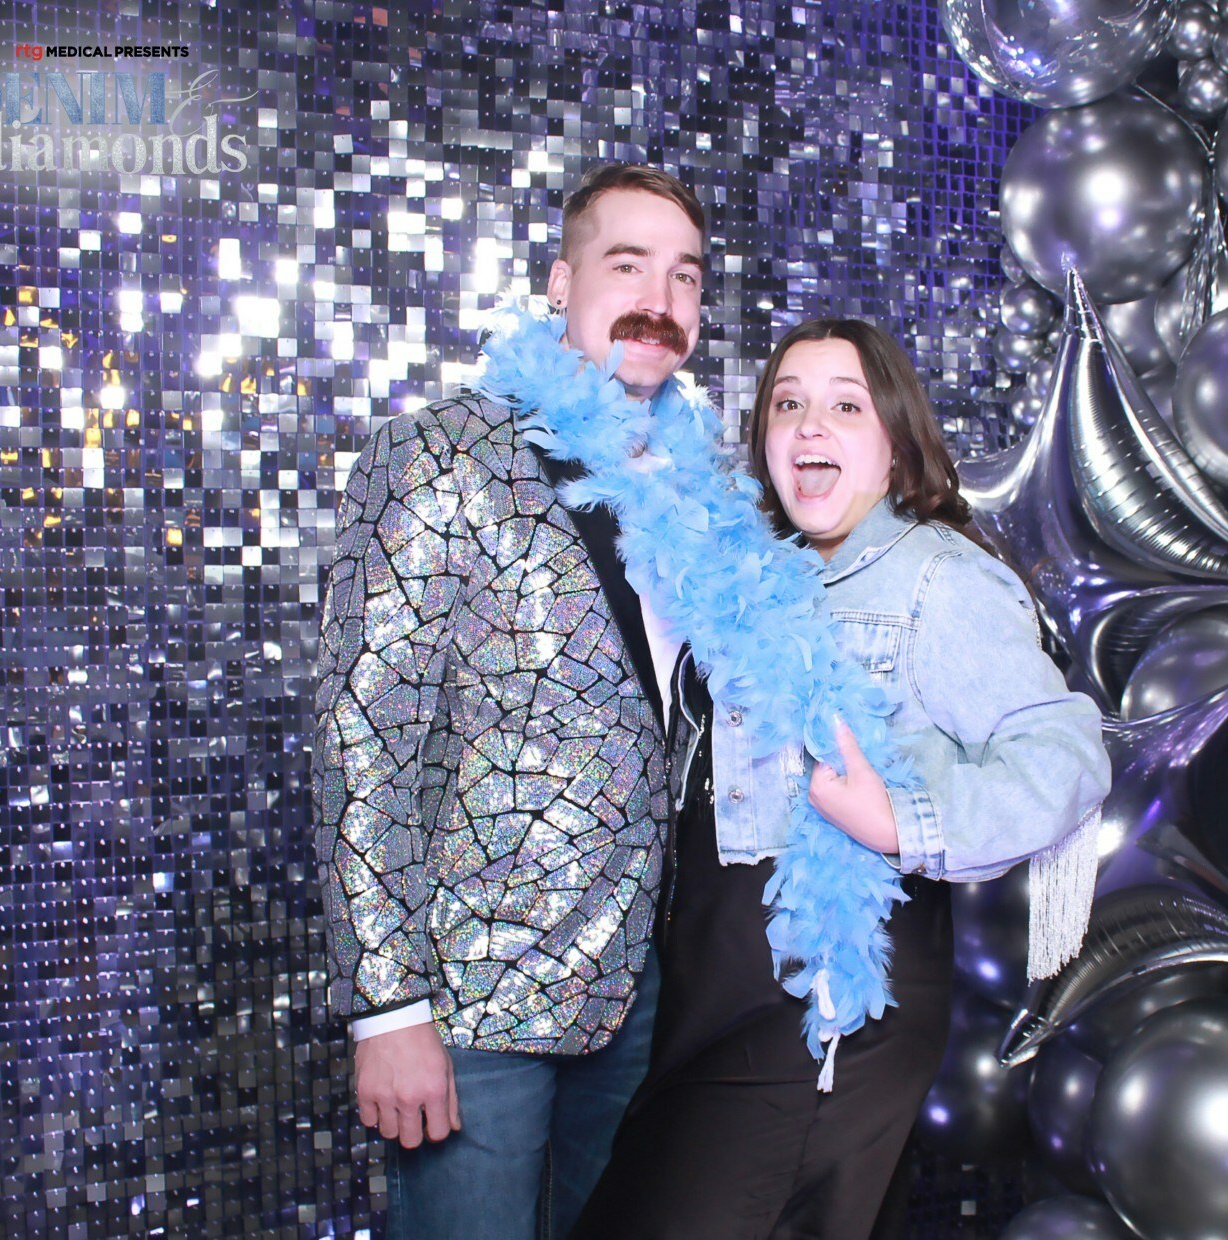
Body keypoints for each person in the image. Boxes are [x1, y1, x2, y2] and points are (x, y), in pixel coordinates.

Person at [573, 319, 1111, 1240]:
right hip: (715, 984)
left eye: (846, 406)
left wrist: (904, 819)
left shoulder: (936, 580)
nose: (810, 425)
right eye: (788, 404)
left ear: (895, 440)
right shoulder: (759, 574)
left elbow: (1067, 755)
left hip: (826, 1000)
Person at [310, 163, 708, 1240]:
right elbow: (364, 734)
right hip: (468, 997)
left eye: (684, 277)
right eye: (627, 266)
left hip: (639, 987)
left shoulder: (698, 487)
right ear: (560, 283)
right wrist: (385, 1008)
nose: (659, 301)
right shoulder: (438, 450)